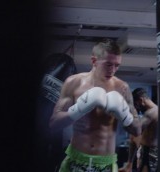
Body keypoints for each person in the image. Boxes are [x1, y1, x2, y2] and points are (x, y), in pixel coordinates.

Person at [49, 38, 141, 172]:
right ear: (94, 61)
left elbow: (137, 130)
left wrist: (125, 115)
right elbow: (53, 123)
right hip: (75, 160)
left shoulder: (122, 88)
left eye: (117, 65)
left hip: (106, 164)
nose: (113, 70)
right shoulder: (74, 83)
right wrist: (78, 110)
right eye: (108, 64)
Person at [119, 88, 158, 172]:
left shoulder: (150, 114)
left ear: (141, 100)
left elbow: (133, 130)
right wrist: (130, 163)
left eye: (136, 105)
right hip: (147, 152)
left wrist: (125, 114)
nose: (137, 108)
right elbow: (133, 138)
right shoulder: (154, 112)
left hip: (149, 154)